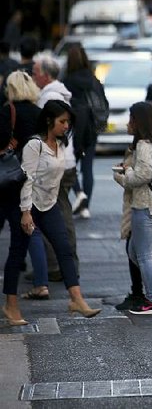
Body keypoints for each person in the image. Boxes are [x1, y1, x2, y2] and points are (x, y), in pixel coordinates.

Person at [3, 100, 100, 325]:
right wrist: (26, 213)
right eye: (62, 121)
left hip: (49, 205)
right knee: (17, 254)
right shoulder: (33, 145)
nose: (66, 126)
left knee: (64, 249)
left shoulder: (60, 144)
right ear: (49, 120)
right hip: (27, 206)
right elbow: (27, 180)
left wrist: (54, 201)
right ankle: (11, 305)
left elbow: (54, 180)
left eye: (68, 122)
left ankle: (77, 300)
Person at [113, 102, 152, 315]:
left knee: (143, 255)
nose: (128, 123)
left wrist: (123, 175)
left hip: (145, 205)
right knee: (134, 251)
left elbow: (144, 174)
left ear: (139, 122)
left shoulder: (144, 145)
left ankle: (151, 299)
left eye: (131, 119)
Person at [1, 71, 49, 299]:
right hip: (37, 172)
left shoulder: (8, 110)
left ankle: (34, 282)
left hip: (13, 174)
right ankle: (42, 281)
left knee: (21, 226)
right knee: (32, 227)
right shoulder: (40, 113)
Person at [33, 55, 79, 285]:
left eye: (35, 72)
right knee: (61, 213)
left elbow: (46, 131)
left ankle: (57, 266)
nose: (33, 76)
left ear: (45, 74)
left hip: (56, 164)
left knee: (53, 216)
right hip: (65, 161)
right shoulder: (59, 93)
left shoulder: (50, 97)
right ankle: (63, 264)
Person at [63, 45, 107, 220]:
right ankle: (85, 207)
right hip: (91, 128)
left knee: (69, 164)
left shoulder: (67, 81)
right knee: (87, 168)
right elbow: (103, 102)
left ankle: (79, 193)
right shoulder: (93, 80)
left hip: (73, 129)